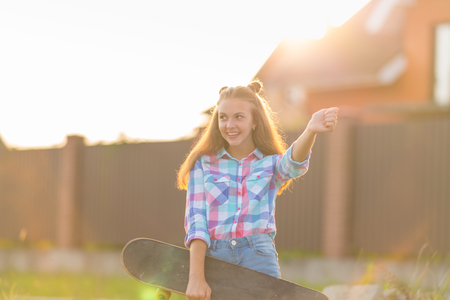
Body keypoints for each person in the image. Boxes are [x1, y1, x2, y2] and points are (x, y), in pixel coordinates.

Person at [177, 80, 338, 300]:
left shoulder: (270, 164)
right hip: (215, 258)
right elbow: (197, 222)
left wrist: (310, 130)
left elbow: (293, 164)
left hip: (258, 256)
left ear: (255, 121)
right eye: (223, 117)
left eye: (239, 117)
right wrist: (196, 277)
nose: (229, 124)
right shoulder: (203, 163)